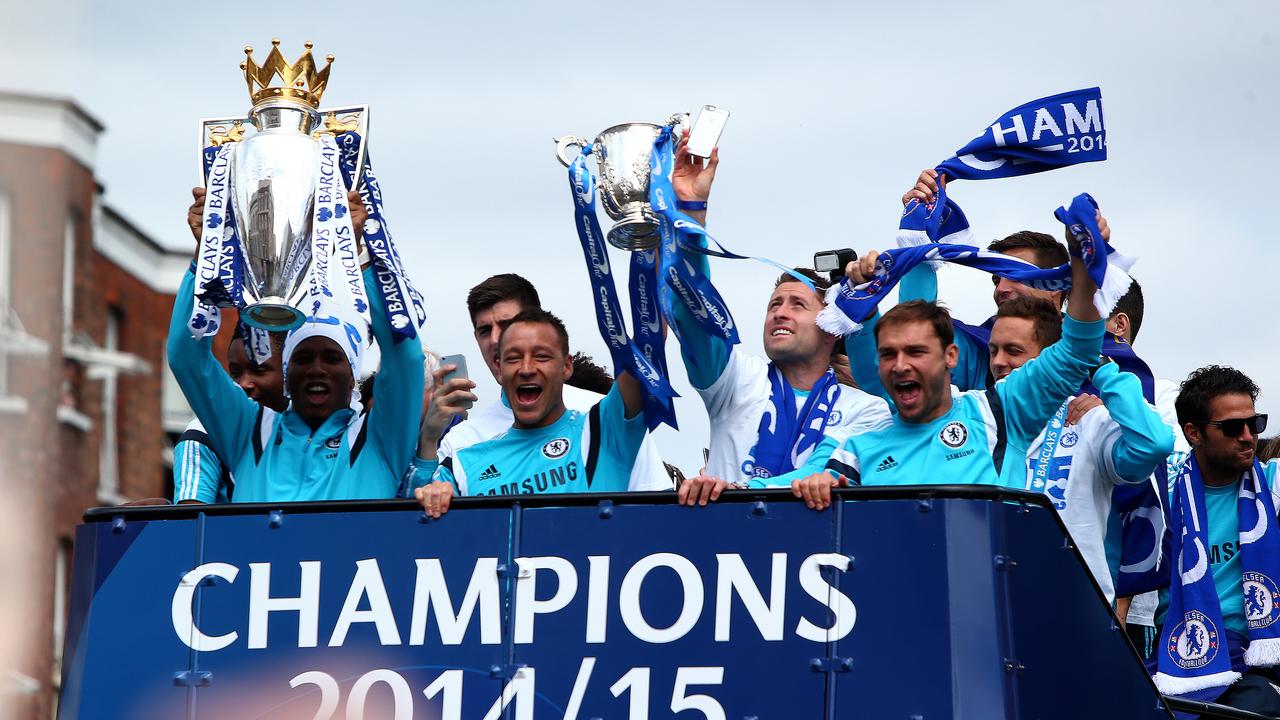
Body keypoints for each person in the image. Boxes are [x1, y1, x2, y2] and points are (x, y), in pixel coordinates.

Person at [769, 206, 1110, 508]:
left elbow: (1077, 350)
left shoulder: (998, 410)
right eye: (888, 354)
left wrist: (1084, 267)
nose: (900, 365)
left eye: (916, 352)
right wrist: (812, 488)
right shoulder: (857, 446)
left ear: (951, 356)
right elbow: (803, 487)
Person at [667, 135, 891, 503]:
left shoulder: (866, 408)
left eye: (797, 305)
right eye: (774, 305)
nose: (780, 313)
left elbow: (824, 473)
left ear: (832, 328)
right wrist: (691, 212)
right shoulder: (736, 380)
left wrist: (739, 491)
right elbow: (693, 313)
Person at [167, 187, 424, 501]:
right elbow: (187, 358)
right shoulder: (249, 432)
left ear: (352, 372)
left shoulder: (379, 439)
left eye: (332, 358)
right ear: (287, 373)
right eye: (303, 358)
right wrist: (205, 256)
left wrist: (358, 253)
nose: (317, 369)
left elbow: (405, 357)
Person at [410, 273, 671, 494]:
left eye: (509, 325)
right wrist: (428, 441)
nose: (495, 340)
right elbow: (421, 530)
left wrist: (656, 244)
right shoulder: (462, 444)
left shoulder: (601, 417)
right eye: (485, 330)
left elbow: (648, 341)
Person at [989, 296, 1173, 606]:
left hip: (1073, 609)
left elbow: (1152, 445)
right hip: (993, 600)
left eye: (1013, 351)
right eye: (993, 350)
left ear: (1052, 358)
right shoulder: (975, 420)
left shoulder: (1089, 421)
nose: (998, 362)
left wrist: (1102, 371)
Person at [411, 309, 647, 517]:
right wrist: (433, 494)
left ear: (566, 366)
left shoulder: (603, 430)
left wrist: (658, 262)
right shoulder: (464, 460)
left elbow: (649, 334)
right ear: (500, 370)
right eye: (513, 358)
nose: (525, 369)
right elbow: (412, 524)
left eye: (541, 356)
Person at [1150, 366, 1280, 714]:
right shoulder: (1163, 497)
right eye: (1232, 427)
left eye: (1255, 423)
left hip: (1257, 656)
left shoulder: (1274, 484)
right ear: (1193, 432)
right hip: (1177, 654)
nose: (1248, 436)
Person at [173, 325, 287, 504]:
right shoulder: (203, 432)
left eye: (259, 370)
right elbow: (191, 523)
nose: (244, 383)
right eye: (235, 373)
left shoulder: (311, 431)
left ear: (289, 370)